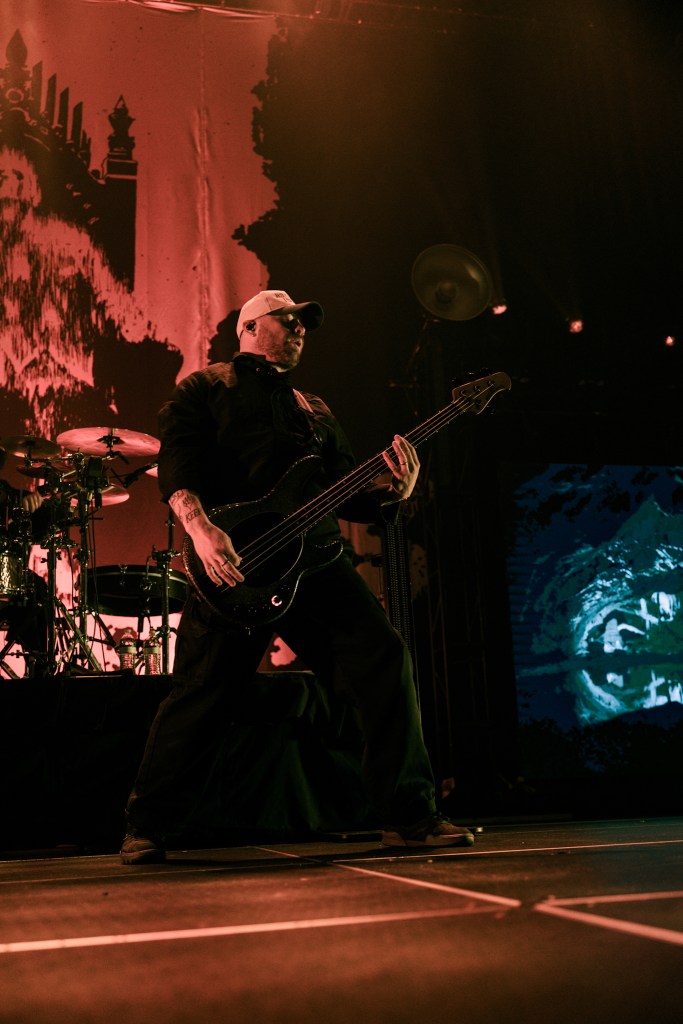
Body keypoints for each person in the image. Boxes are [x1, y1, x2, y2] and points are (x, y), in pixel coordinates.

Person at [120, 289, 475, 863]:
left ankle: (410, 817)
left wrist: (392, 492)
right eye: (288, 321)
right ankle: (149, 826)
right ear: (251, 328)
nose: (300, 330)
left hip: (318, 562)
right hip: (235, 562)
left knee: (384, 660)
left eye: (305, 323)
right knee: (203, 694)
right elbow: (179, 463)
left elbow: (346, 494)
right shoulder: (205, 388)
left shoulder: (315, 410)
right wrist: (200, 528)